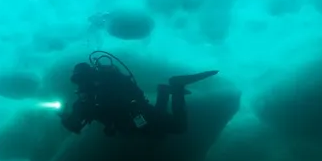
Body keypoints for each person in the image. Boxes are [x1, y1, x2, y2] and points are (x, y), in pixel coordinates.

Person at [58, 50, 218, 137]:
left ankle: (176, 86)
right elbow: (132, 88)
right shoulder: (107, 81)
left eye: (79, 80)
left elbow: (76, 125)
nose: (80, 85)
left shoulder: (87, 100)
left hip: (136, 118)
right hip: (139, 112)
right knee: (156, 124)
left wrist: (66, 117)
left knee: (178, 127)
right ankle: (164, 91)